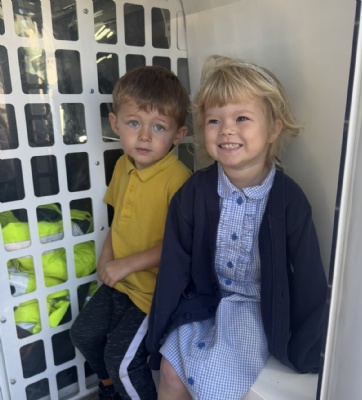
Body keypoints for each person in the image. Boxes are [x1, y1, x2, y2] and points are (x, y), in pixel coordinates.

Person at [146, 55, 328, 400]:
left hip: (256, 309)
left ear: (273, 129)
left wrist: (307, 350)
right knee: (170, 370)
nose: (226, 129)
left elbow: (308, 277)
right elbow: (174, 266)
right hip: (205, 299)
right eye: (214, 120)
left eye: (241, 118)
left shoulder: (288, 200)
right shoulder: (194, 192)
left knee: (215, 381)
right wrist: (162, 326)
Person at [70, 66, 192, 400]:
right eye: (134, 123)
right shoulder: (123, 165)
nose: (145, 136)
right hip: (121, 284)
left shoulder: (178, 180)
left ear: (178, 134)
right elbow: (118, 220)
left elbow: (181, 245)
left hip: (153, 294)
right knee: (83, 334)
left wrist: (125, 264)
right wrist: (107, 256)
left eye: (159, 127)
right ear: (115, 124)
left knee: (122, 362)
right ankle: (109, 390)